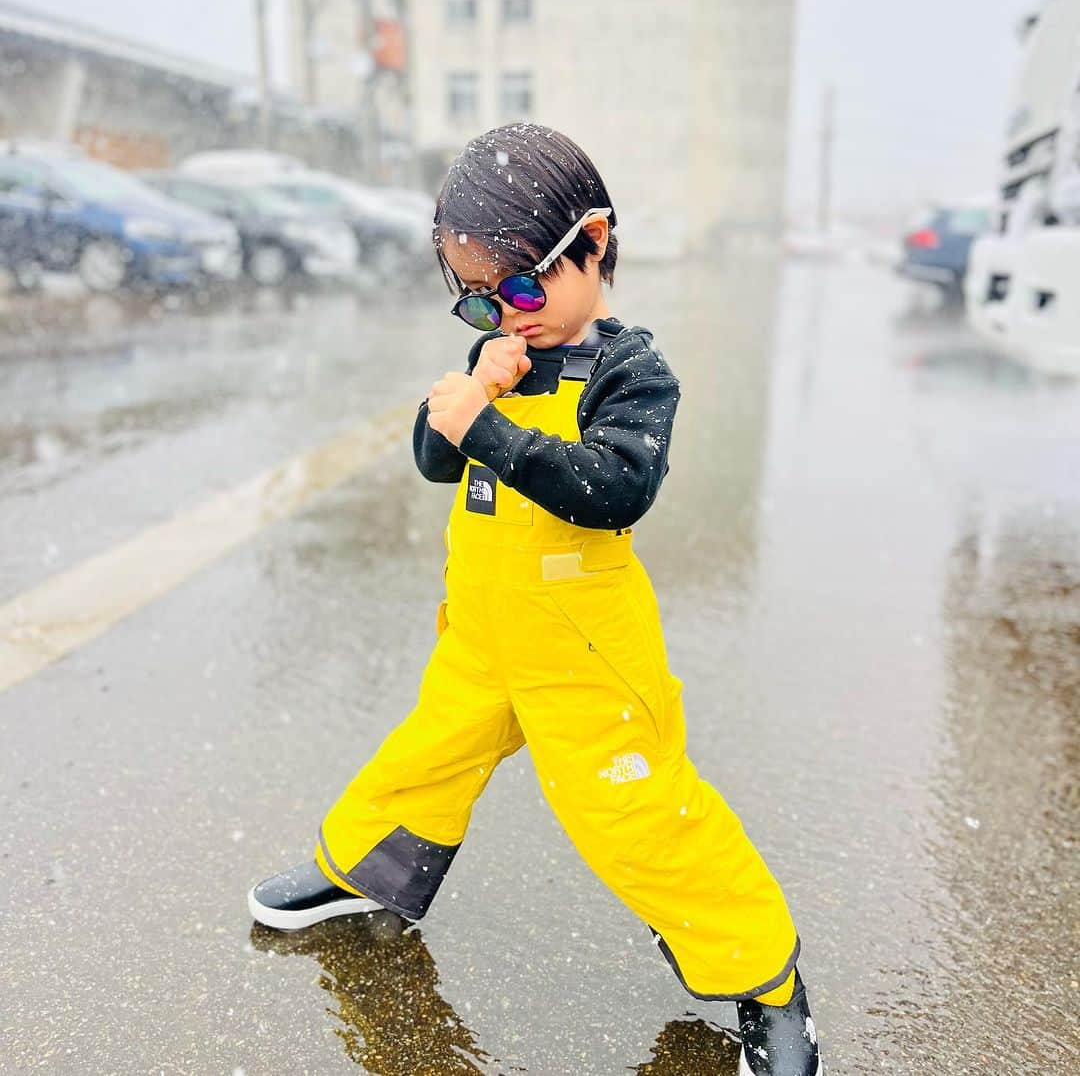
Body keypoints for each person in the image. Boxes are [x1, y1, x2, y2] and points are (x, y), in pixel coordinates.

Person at [248, 124, 823, 1076]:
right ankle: (363, 868)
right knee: (424, 758)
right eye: (475, 298)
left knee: (639, 816)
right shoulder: (499, 360)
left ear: (593, 243)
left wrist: (498, 434)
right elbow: (437, 459)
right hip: (481, 636)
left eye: (520, 288)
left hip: (583, 650)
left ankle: (765, 978)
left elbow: (614, 488)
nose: (506, 315)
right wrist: (471, 395)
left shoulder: (630, 373)